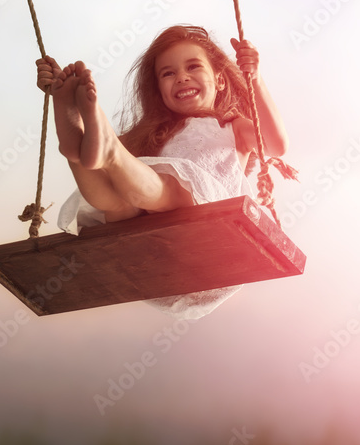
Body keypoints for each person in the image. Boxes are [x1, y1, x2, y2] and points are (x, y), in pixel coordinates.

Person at [35, 25, 291, 319]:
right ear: (159, 91)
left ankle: (105, 152)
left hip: (204, 224)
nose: (181, 76)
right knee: (115, 199)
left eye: (193, 66)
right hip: (147, 240)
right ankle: (75, 146)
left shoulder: (232, 126)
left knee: (169, 185)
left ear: (220, 81)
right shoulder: (153, 136)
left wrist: (254, 79)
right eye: (167, 74)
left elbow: (275, 144)